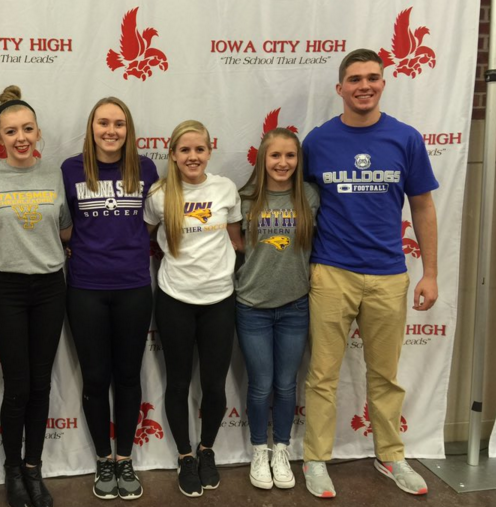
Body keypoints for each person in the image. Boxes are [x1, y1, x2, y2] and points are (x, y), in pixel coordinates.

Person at [301, 48, 438, 498]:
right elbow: (298, 206)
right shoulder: (317, 142)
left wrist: (430, 272)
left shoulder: (406, 138)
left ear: (383, 83)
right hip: (331, 272)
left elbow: (422, 206)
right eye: (355, 78)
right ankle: (316, 460)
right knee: (322, 374)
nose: (364, 85)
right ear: (339, 88)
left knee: (386, 375)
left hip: (388, 274)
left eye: (373, 78)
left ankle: (390, 455)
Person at [0, 85, 72, 507]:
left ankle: (34, 468)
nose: (21, 137)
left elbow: (64, 231)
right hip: (7, 288)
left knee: (41, 383)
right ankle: (12, 470)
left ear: (38, 131)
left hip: (50, 288)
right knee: (17, 385)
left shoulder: (54, 175)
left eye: (28, 128)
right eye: (11, 131)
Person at [61, 97, 159, 501]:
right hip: (85, 288)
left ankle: (125, 459)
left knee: (128, 376)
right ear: (92, 127)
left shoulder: (146, 168)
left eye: (119, 124)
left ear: (128, 129)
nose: (111, 131)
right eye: (103, 123)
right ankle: (104, 458)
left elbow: (153, 222)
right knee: (96, 378)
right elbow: (63, 224)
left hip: (134, 286)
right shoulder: (70, 169)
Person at [144, 120, 243, 498]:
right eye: (184, 150)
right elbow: (146, 236)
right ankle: (185, 456)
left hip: (219, 299)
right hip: (175, 300)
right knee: (179, 383)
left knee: (214, 384)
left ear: (209, 151)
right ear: (172, 154)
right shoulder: (158, 195)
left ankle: (207, 451)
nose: (192, 156)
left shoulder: (225, 189)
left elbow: (235, 242)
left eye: (199, 149)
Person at [234, 128, 319, 490]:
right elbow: (235, 247)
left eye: (290, 156)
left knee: (286, 385)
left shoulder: (309, 197)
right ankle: (259, 449)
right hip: (252, 306)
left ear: (298, 161)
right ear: (262, 159)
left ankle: (281, 449)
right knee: (261, 385)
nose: (282, 163)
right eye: (275, 156)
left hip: (295, 306)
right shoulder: (244, 198)